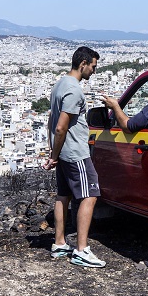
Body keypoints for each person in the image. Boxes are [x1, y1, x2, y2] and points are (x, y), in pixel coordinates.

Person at [44, 46, 105, 268]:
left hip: (62, 152)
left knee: (63, 195)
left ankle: (59, 243)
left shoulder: (60, 83)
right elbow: (60, 127)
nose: (93, 72)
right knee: (90, 195)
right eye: (93, 66)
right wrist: (55, 154)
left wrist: (53, 153)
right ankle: (81, 249)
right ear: (83, 64)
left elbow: (51, 121)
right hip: (75, 152)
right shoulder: (74, 90)